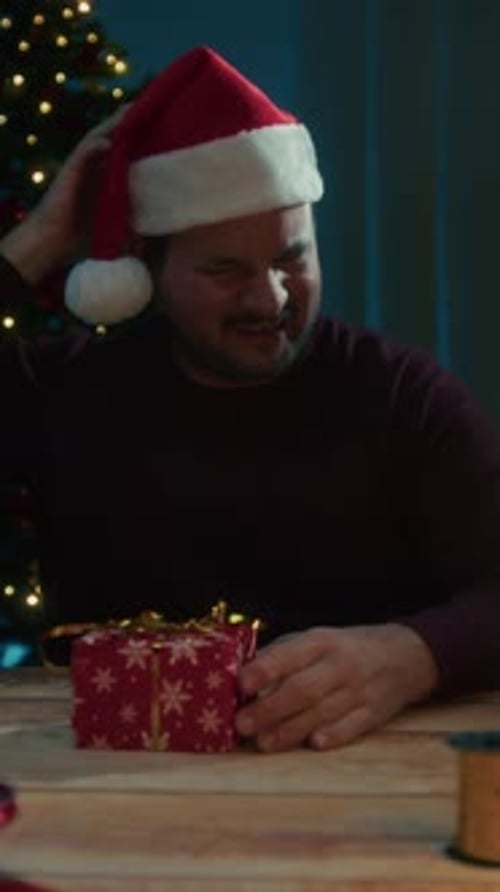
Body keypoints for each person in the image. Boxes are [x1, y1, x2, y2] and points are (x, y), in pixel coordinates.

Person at [1, 46, 499, 754]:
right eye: (225, 269)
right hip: (111, 779)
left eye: (291, 258)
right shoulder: (69, 391)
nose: (269, 299)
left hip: (349, 774)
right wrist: (39, 240)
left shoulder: (401, 396)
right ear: (149, 271)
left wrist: (414, 653)